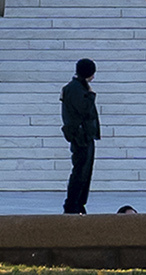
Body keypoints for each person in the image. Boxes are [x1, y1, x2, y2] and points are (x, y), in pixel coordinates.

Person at [61, 57, 101, 213]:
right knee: (80, 172)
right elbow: (83, 109)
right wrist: (91, 96)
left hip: (85, 135)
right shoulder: (76, 89)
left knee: (85, 171)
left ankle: (78, 203)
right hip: (80, 137)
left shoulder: (78, 87)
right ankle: (73, 204)